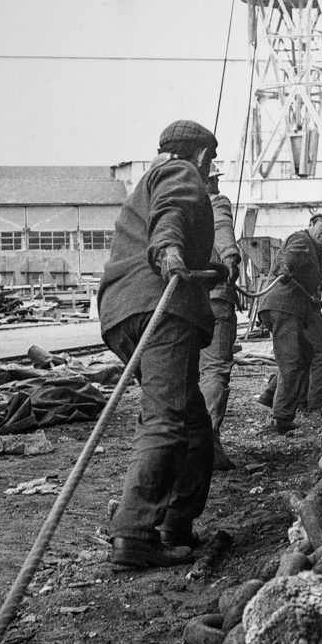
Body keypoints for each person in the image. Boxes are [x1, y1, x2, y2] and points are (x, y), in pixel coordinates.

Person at [97, 119, 218, 569]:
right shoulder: (180, 172)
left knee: (192, 422)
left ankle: (176, 525)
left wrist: (208, 268)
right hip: (159, 309)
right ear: (202, 155)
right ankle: (134, 536)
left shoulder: (144, 183)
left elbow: (163, 219)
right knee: (167, 420)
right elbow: (171, 213)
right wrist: (168, 251)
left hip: (125, 312)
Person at [256, 213, 322, 432]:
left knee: (306, 356)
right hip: (284, 306)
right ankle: (284, 418)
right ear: (311, 225)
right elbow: (287, 257)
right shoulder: (302, 240)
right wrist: (284, 268)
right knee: (292, 360)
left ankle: (276, 401)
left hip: (300, 307)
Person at [257, 236, 322, 416]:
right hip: (299, 310)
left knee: (303, 355)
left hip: (309, 313)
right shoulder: (320, 264)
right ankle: (317, 401)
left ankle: (273, 395)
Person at [199, 163, 242, 471]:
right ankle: (207, 444)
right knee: (215, 370)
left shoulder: (169, 204)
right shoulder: (215, 202)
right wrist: (231, 258)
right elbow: (222, 228)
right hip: (214, 297)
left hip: (176, 301)